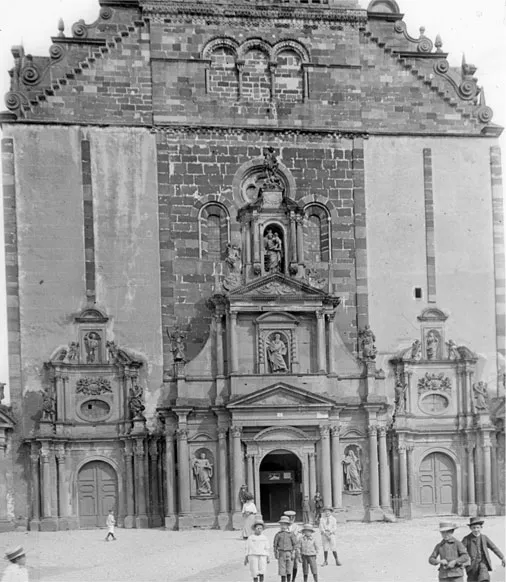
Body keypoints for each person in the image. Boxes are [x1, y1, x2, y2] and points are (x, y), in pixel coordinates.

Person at [461, 517, 505, 582]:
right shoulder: (466, 539)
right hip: (471, 566)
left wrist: (502, 557)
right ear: (470, 528)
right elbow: (459, 550)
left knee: (484, 578)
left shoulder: (484, 538)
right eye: (474, 528)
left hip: (483, 564)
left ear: (481, 528)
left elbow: (494, 548)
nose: (476, 530)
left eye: (478, 527)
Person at [274, 516, 298, 582]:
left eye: (285, 524)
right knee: (282, 569)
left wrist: (293, 553)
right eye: (282, 524)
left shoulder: (291, 534)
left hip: (289, 553)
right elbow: (275, 545)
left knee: (289, 568)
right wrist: (275, 553)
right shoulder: (278, 534)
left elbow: (295, 544)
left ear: (288, 525)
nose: (283, 526)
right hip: (281, 553)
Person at [284, 511, 302, 582]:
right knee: (287, 564)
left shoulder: (297, 527)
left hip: (295, 547)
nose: (291, 519)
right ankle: (288, 579)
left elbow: (299, 537)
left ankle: (293, 579)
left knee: (295, 564)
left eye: (292, 517)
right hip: (287, 548)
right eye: (289, 518)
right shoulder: (284, 527)